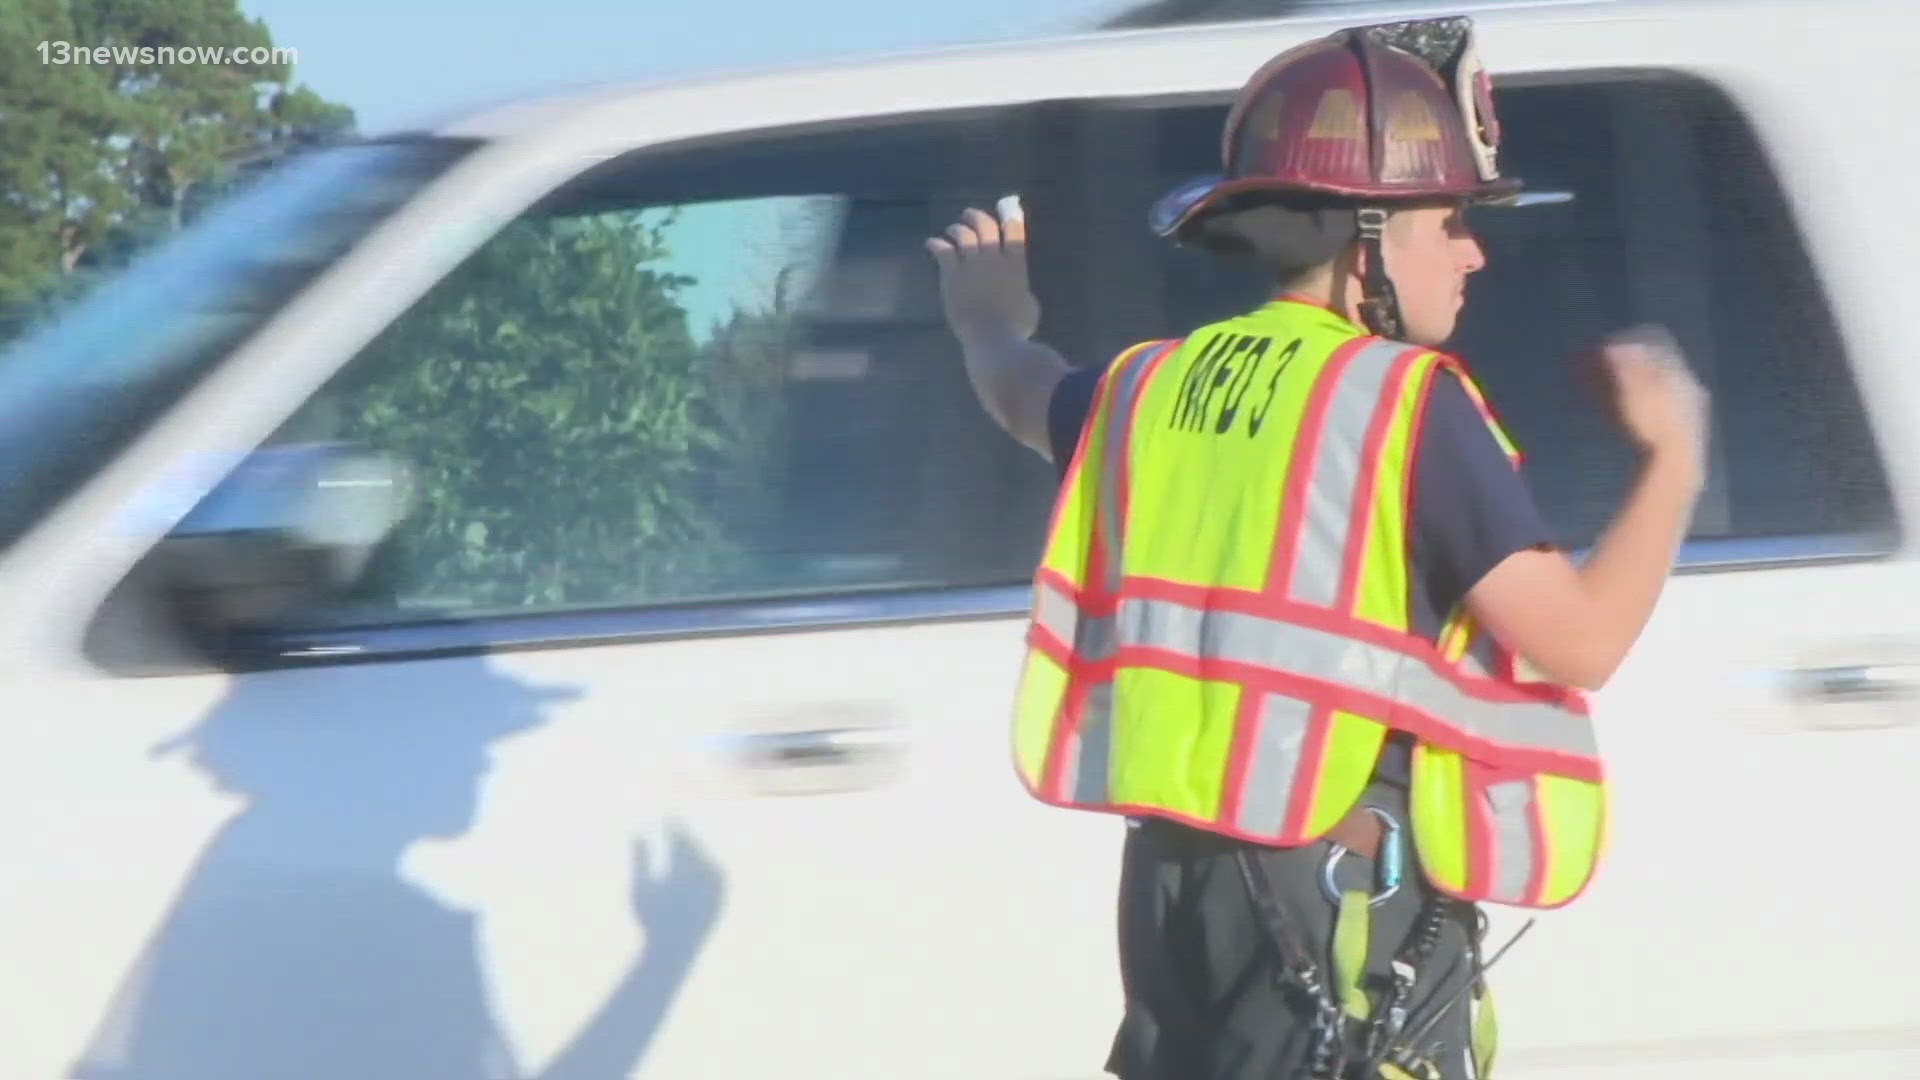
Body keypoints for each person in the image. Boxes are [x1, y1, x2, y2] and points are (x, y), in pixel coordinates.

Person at [926, 16, 1708, 1080]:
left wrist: (987, 325)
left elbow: (1027, 399)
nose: (1474, 250)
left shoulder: (1149, 387)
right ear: (1366, 234)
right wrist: (1673, 459)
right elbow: (1580, 643)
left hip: (1178, 903)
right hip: (1346, 902)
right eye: (1449, 221)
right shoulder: (1403, 406)